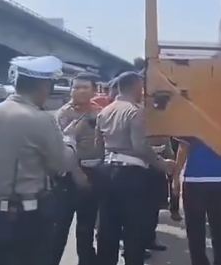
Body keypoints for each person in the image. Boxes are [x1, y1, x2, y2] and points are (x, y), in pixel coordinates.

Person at [0, 55, 81, 265]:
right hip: (29, 218)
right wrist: (69, 142)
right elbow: (60, 165)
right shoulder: (42, 120)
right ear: (43, 86)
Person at [95, 72, 175, 265]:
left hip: (107, 171)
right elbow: (140, 146)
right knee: (134, 230)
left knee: (108, 228)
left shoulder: (104, 111)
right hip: (132, 174)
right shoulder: (135, 111)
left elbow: (98, 146)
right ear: (137, 87)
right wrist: (163, 164)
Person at [50, 72, 102, 265]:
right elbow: (62, 148)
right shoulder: (65, 114)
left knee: (86, 227)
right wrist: (77, 173)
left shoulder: (99, 112)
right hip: (70, 176)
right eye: (75, 87)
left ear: (94, 90)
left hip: (94, 173)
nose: (78, 91)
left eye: (84, 87)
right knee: (60, 226)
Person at [174, 136, 221, 265]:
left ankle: (199, 262)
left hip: (195, 179)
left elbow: (183, 147)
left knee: (195, 228)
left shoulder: (193, 118)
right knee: (219, 226)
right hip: (220, 177)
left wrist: (176, 175)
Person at [144, 136, 175, 253]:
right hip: (139, 172)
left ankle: (150, 239)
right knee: (138, 212)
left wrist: (171, 162)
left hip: (158, 174)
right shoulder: (138, 125)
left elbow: (168, 151)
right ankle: (137, 245)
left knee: (154, 209)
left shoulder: (162, 132)